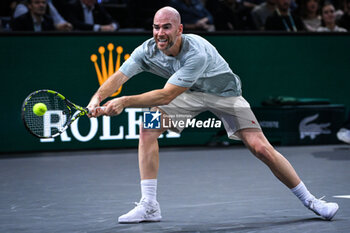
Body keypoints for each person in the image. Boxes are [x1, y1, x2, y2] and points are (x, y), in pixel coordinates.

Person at [87, 6, 339, 223]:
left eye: (166, 27)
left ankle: (312, 201)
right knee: (148, 127)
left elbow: (165, 96)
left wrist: (123, 101)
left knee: (260, 147)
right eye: (156, 27)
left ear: (179, 29)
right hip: (189, 94)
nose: (160, 33)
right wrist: (97, 98)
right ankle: (149, 206)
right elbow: (119, 76)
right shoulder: (148, 49)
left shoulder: (195, 52)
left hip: (225, 94)